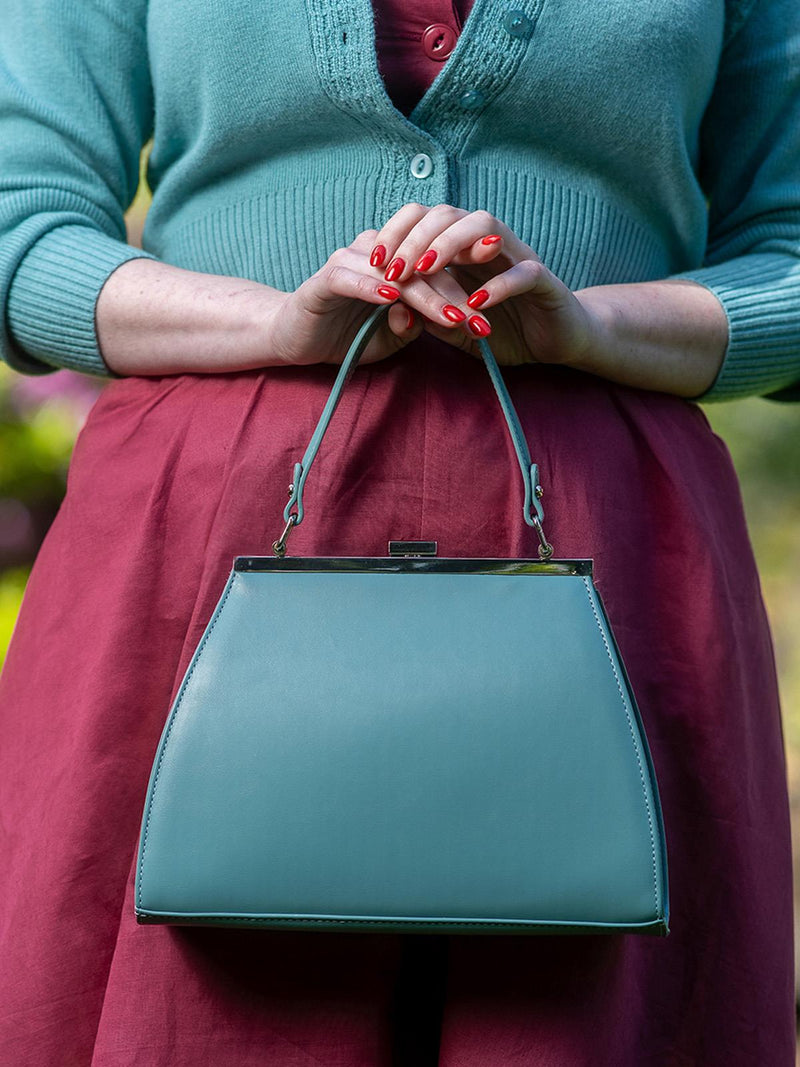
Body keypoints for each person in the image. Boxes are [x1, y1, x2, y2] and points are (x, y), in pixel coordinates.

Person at [0, 0, 797, 1062]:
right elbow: (21, 226)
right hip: (197, 554)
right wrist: (273, 319)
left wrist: (597, 323)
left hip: (610, 548)